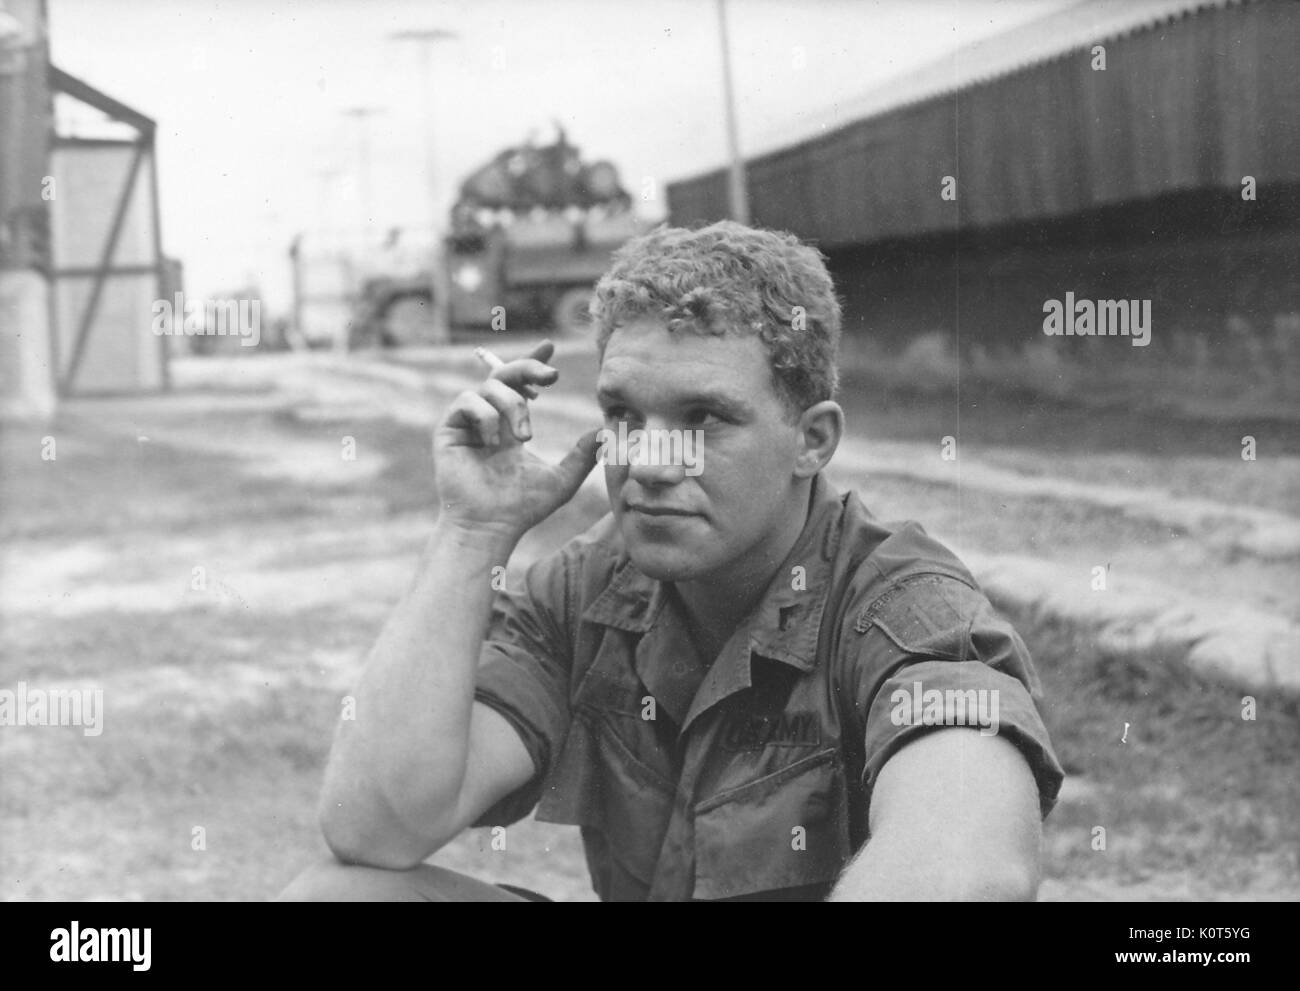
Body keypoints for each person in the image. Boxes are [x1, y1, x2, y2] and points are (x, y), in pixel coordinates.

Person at [279, 221, 1064, 902]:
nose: (650, 460)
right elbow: (378, 823)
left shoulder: (902, 605)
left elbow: (968, 874)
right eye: (624, 413)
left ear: (812, 439)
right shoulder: (588, 588)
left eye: (704, 418)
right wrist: (471, 532)